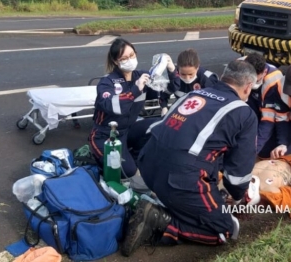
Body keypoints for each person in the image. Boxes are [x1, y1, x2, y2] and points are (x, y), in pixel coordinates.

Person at [120, 59, 258, 257]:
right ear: (248, 87)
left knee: (202, 163)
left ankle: (173, 205)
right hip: (179, 178)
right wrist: (237, 195)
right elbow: (238, 175)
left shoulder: (194, 93)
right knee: (225, 230)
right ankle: (161, 221)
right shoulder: (244, 113)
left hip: (149, 166)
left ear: (223, 77)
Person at [88, 38, 177, 189]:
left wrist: (171, 70)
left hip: (128, 130)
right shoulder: (107, 82)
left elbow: (168, 91)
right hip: (105, 135)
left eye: (131, 55)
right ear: (116, 61)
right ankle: (106, 160)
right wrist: (135, 90)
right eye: (124, 58)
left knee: (160, 124)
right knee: (126, 171)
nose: (129, 60)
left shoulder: (141, 76)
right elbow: (111, 105)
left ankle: (133, 156)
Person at [240, 53, 291, 158]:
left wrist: (254, 149)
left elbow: (268, 120)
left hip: (275, 114)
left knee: (266, 151)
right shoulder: (239, 65)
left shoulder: (274, 82)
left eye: (256, 80)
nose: (252, 83)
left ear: (264, 72)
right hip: (254, 105)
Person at [158, 48, 219, 116]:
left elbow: (214, 103)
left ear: (197, 68)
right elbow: (163, 94)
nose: (187, 78)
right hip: (180, 109)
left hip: (202, 112)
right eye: (183, 74)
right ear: (178, 68)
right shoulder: (173, 76)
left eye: (190, 74)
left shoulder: (207, 79)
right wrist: (164, 107)